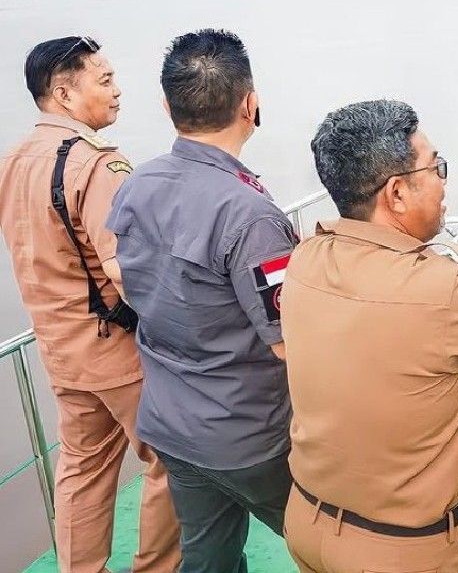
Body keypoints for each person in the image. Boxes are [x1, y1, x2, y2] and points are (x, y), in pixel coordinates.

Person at [280, 99, 458, 573]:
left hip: (308, 523)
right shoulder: (441, 290)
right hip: (404, 552)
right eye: (437, 167)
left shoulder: (305, 258)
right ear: (398, 193)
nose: (444, 181)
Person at [107, 29, 296, 573]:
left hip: (172, 423)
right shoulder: (251, 217)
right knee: (336, 542)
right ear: (250, 104)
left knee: (207, 558)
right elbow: (288, 341)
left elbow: (125, 278)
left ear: (167, 106)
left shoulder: (137, 185)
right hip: (249, 436)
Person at [0, 37, 180, 573]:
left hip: (59, 348)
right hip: (117, 351)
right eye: (103, 80)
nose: (117, 91)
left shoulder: (13, 162)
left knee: (81, 468)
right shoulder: (96, 165)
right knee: (171, 460)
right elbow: (128, 269)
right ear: (63, 92)